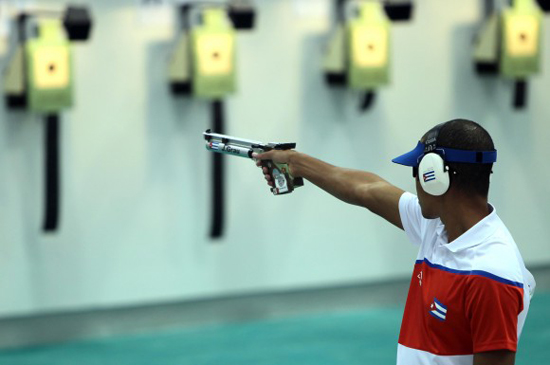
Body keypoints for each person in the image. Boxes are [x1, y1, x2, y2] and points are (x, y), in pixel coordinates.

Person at [253, 119, 535, 365]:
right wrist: (295, 163)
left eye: (417, 170)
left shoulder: (492, 273)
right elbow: (366, 189)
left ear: (434, 176)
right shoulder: (437, 226)